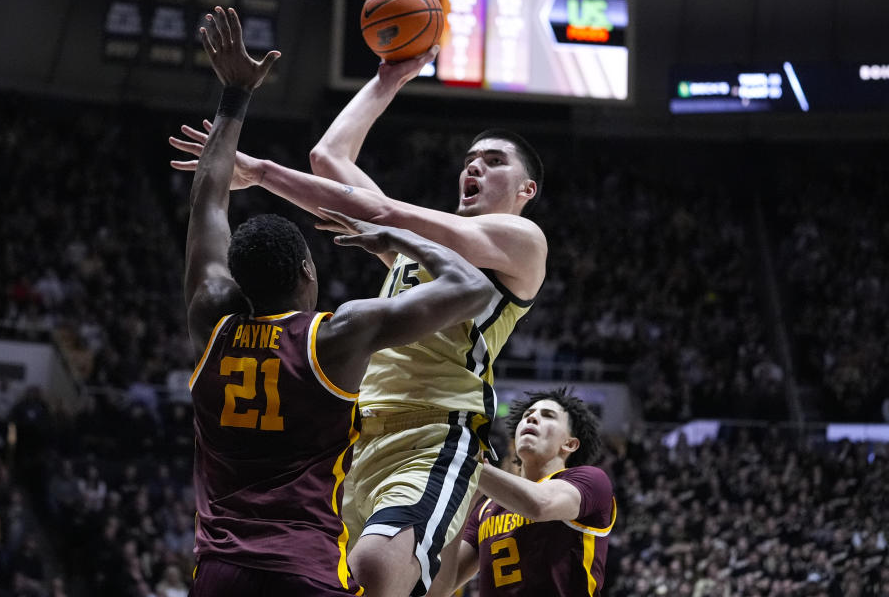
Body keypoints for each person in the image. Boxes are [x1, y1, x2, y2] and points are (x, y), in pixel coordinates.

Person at [169, 46, 547, 597]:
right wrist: (386, 80)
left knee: (374, 567)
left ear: (525, 191)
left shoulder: (522, 241)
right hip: (357, 437)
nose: (474, 165)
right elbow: (329, 159)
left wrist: (264, 172)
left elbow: (384, 213)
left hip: (434, 433)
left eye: (493, 161)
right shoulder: (417, 250)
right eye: (470, 158)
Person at [430, 388, 616, 596]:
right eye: (527, 415)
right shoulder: (485, 509)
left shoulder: (591, 480)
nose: (533, 418)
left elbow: (539, 505)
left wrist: (470, 465)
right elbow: (440, 589)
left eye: (547, 416)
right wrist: (463, 504)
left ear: (570, 444)